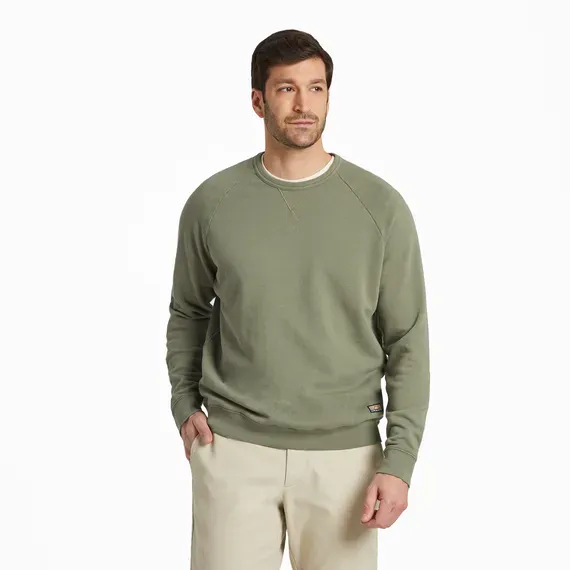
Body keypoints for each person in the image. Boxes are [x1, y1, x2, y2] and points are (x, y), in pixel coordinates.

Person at [165, 28, 430, 570]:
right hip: (233, 451)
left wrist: (399, 460)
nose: (304, 104)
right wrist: (184, 403)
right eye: (287, 89)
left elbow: (407, 340)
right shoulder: (212, 203)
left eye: (316, 88)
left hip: (346, 458)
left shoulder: (380, 207)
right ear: (258, 100)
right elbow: (188, 311)